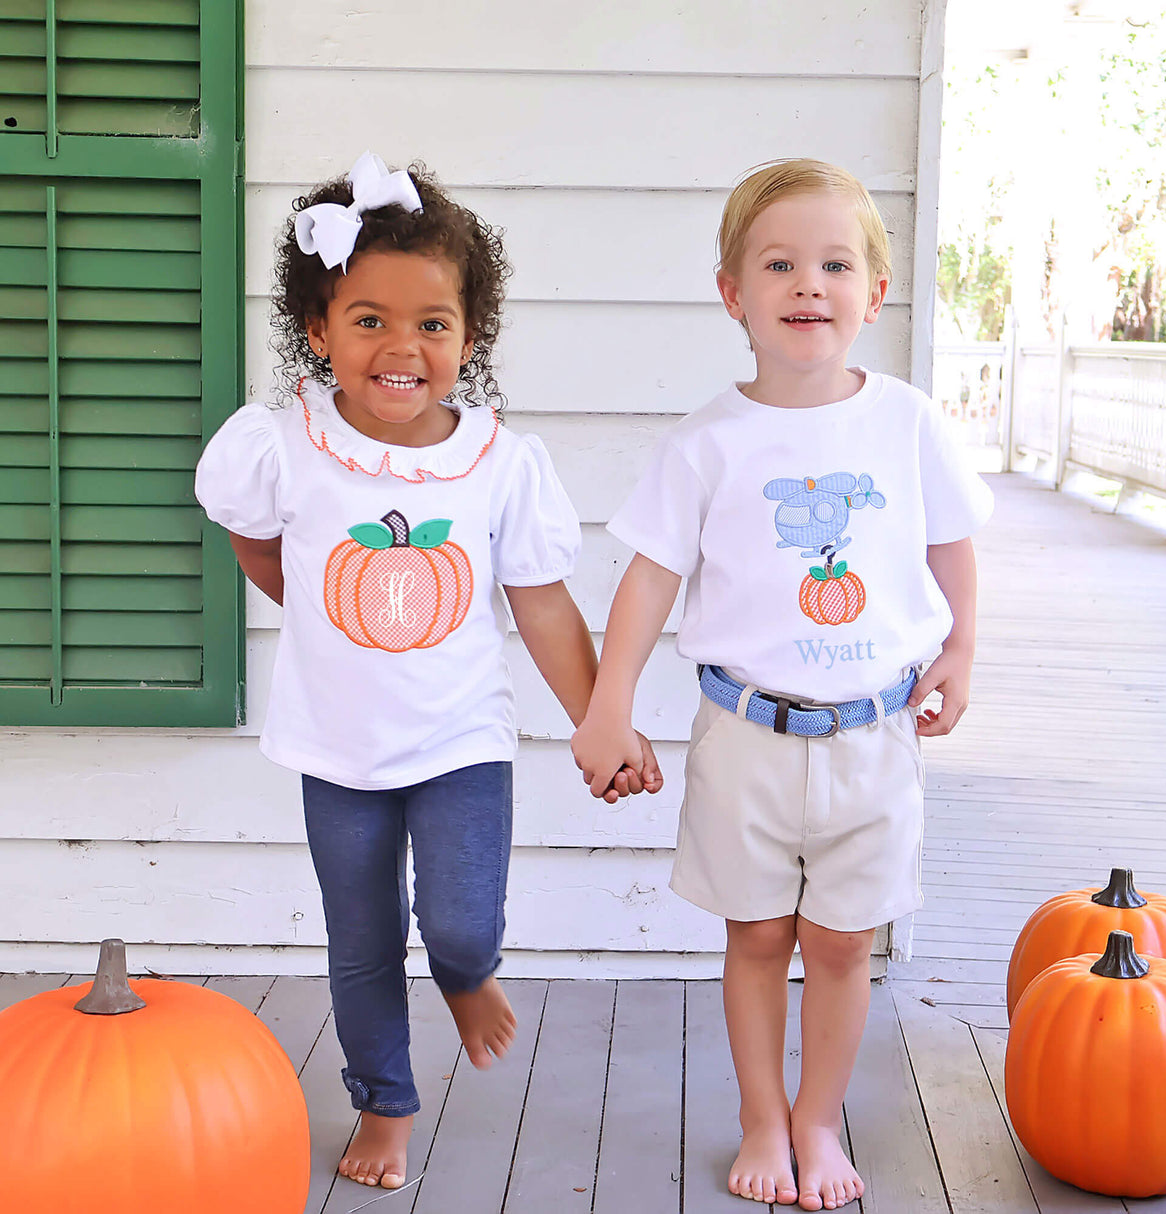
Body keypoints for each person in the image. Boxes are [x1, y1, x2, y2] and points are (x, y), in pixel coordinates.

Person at [195, 152, 661, 1191]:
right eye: (367, 320)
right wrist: (323, 617)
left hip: (459, 744)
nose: (401, 346)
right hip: (333, 748)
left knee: (455, 919)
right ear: (317, 331)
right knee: (358, 941)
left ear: (468, 336)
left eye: (432, 324)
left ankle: (463, 973)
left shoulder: (497, 463)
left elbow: (540, 602)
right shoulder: (283, 445)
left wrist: (603, 719)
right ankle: (385, 1102)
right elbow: (259, 542)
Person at [571, 159, 993, 1211]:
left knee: (842, 943)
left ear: (872, 293)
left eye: (834, 263)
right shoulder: (708, 442)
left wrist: (961, 648)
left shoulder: (904, 424)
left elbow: (950, 543)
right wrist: (606, 700)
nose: (808, 283)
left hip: (872, 736)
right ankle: (763, 1113)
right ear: (733, 294)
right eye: (779, 263)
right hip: (744, 736)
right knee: (757, 935)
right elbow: (649, 576)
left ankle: (817, 1115)